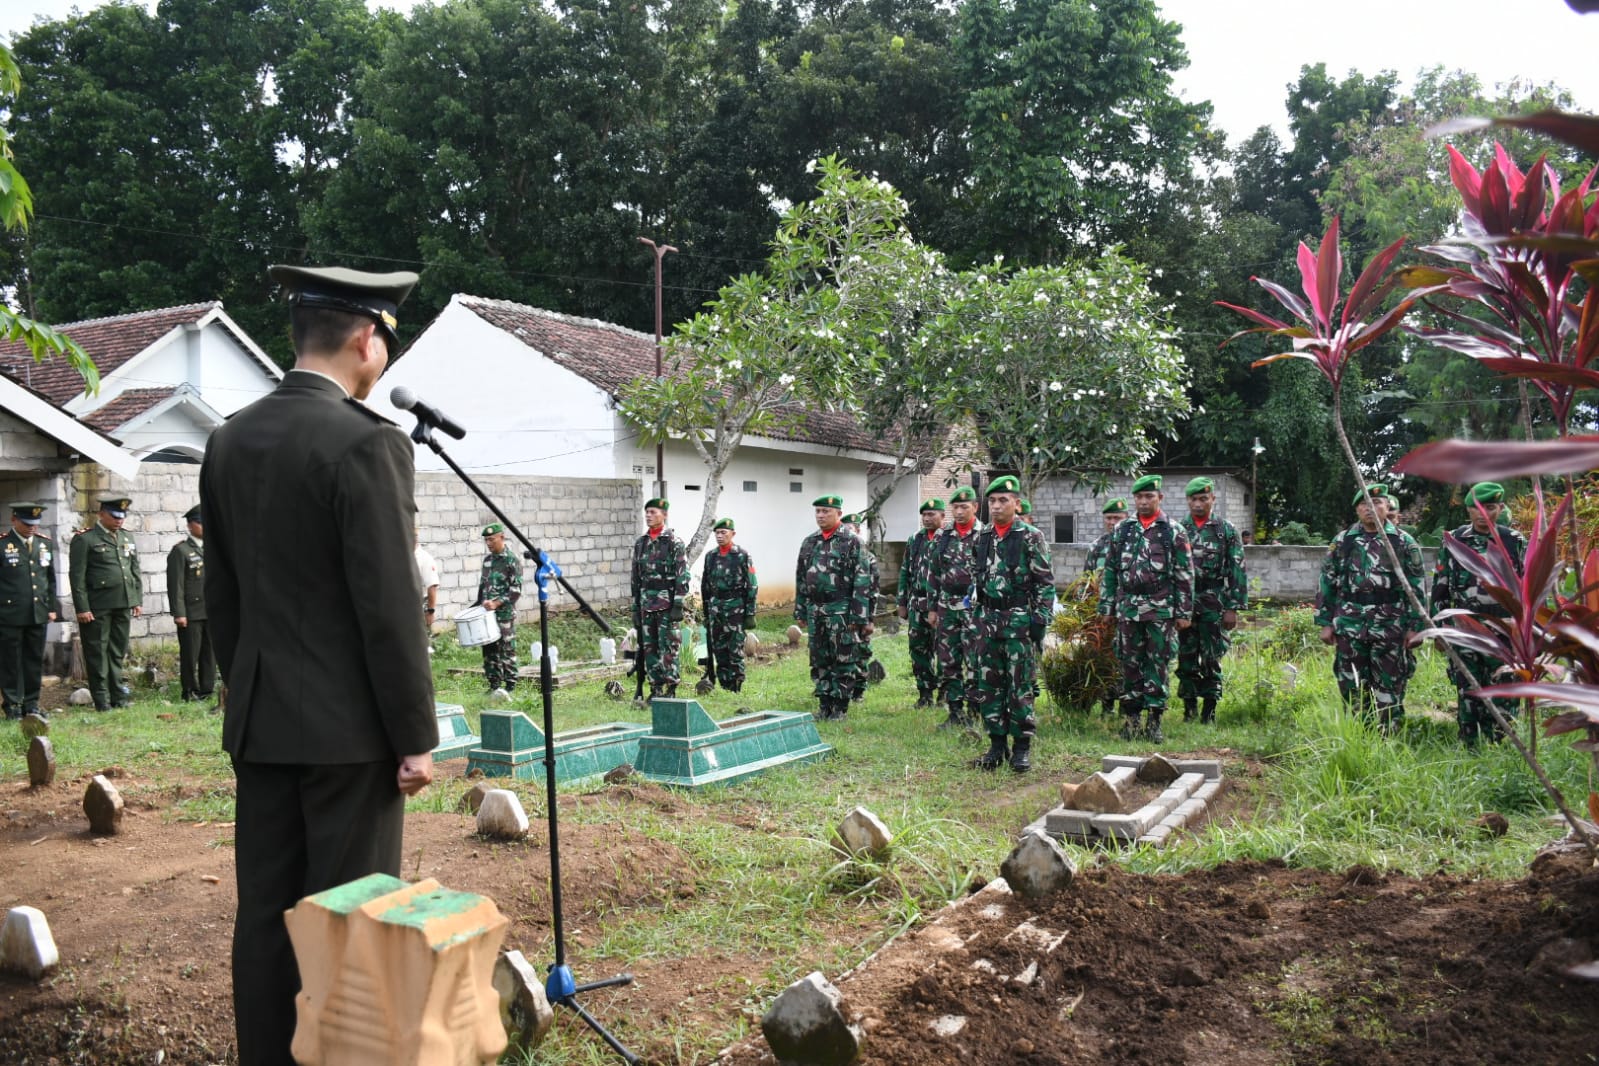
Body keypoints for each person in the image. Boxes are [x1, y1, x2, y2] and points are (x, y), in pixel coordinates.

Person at [200, 263, 437, 1066]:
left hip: (262, 723)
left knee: (265, 914)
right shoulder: (366, 443)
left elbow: (222, 599)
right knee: (349, 917)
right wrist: (414, 734)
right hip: (348, 738)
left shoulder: (228, 439)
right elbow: (390, 607)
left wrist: (252, 690)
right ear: (368, 339)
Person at [1315, 484, 1427, 732]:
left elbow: (1417, 587)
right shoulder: (1343, 541)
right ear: (1357, 509)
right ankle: (1358, 735)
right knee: (1352, 685)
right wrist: (1324, 622)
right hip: (1350, 624)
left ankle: (1389, 736)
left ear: (1387, 507)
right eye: (1365, 503)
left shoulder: (1403, 542)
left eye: (1377, 503)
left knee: (1390, 684)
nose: (1371, 508)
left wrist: (1416, 627)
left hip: (1390, 625)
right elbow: (1327, 582)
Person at [1431, 481, 1528, 746]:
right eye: (1477, 508)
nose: (1483, 513)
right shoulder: (1454, 541)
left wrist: (1527, 631)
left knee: (1505, 689)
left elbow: (1528, 588)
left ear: (1501, 508)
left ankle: (1504, 747)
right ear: (1468, 511)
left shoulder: (1514, 541)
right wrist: (1438, 630)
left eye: (1491, 507)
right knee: (1468, 689)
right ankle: (1470, 745)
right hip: (1464, 627)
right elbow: (1440, 587)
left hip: (1505, 630)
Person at [969, 477, 1055, 771]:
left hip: (1018, 622)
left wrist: (1039, 621)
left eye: (1003, 500)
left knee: (1020, 688)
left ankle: (1021, 748)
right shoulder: (982, 537)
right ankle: (996, 746)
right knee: (989, 686)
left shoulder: (1032, 536)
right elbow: (976, 581)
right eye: (992, 501)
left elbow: (1045, 584)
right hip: (987, 623)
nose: (996, 506)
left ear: (1016, 503)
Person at [1099, 475, 1192, 742]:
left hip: (1160, 608)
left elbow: (1184, 574)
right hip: (1128, 608)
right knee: (1129, 663)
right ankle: (1131, 718)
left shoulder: (1173, 531)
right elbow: (1111, 571)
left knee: (1158, 664)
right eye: (1139, 497)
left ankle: (1154, 720)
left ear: (1159, 498)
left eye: (1149, 496)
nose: (1143, 501)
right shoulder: (1122, 531)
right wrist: (1107, 607)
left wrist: (1184, 612)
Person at [794, 494, 872, 720]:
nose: (820, 515)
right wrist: (800, 609)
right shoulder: (809, 542)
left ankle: (840, 707)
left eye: (825, 511)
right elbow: (801, 578)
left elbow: (862, 580)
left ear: (838, 513)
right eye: (817, 511)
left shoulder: (852, 541)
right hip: (816, 609)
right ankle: (824, 704)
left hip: (841, 609)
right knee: (819, 658)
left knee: (843, 659)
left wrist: (860, 615)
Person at [1177, 478, 1246, 724]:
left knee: (1211, 656)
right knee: (1185, 655)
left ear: (1212, 500)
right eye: (1193, 499)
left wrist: (1233, 607)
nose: (1198, 504)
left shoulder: (1225, 530)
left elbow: (1237, 570)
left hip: (1213, 601)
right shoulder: (1179, 529)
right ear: (1187, 501)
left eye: (1203, 499)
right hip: (1185, 602)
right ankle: (1189, 707)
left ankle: (1209, 709)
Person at [69, 495, 142, 712]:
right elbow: (77, 577)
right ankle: (101, 700)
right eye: (114, 516)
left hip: (123, 602)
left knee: (117, 650)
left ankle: (118, 695)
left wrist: (136, 599)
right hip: (98, 605)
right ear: (101, 514)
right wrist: (82, 607)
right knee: (97, 652)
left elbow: (134, 570)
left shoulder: (127, 538)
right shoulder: (85, 539)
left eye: (122, 516)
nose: (119, 520)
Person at [925, 486, 985, 729]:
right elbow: (933, 574)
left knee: (975, 662)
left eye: (964, 507)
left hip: (974, 608)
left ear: (975, 507)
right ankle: (955, 712)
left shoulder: (985, 535)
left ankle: (975, 712)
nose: (959, 512)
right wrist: (932, 608)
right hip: (947, 606)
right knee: (948, 662)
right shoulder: (943, 536)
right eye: (956, 508)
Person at [0, 502, 56, 719]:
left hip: (37, 613)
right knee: (10, 661)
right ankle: (12, 704)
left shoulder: (44, 544)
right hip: (9, 615)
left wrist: (51, 607)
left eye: (35, 523)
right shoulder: (4, 545)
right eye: (26, 523)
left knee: (33, 660)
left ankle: (31, 703)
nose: (32, 527)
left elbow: (50, 579)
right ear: (14, 520)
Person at [631, 497, 689, 699]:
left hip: (667, 604)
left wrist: (678, 604)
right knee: (650, 648)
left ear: (664, 515)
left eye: (653, 512)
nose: (648, 515)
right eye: (646, 512)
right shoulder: (641, 544)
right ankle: (655, 689)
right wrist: (634, 608)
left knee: (669, 648)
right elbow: (635, 578)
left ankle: (671, 689)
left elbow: (682, 575)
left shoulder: (674, 542)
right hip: (646, 605)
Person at [897, 498, 945, 709]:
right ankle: (924, 693)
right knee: (918, 650)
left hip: (942, 606)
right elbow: (905, 571)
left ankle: (945, 694)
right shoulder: (915, 539)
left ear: (942, 516)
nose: (926, 518)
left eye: (931, 514)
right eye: (924, 515)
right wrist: (902, 601)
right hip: (918, 605)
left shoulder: (949, 539)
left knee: (944, 651)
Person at [701, 517, 758, 693]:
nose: (719, 536)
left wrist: (750, 613)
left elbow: (752, 584)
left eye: (723, 532)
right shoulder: (711, 556)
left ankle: (736, 685)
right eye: (717, 533)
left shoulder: (742, 555)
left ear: (732, 534)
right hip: (716, 608)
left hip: (735, 608)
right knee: (719, 648)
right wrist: (706, 611)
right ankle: (725, 684)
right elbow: (705, 585)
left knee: (735, 648)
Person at [166, 505, 215, 702]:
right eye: (200, 523)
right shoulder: (181, 551)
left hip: (211, 610)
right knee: (190, 654)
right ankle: (190, 691)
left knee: (210, 653)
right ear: (190, 525)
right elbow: (175, 585)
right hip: (191, 612)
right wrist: (179, 613)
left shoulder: (213, 548)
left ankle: (207, 689)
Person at [476, 522, 522, 694]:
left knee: (506, 648)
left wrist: (496, 603)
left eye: (492, 539)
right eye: (486, 540)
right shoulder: (487, 561)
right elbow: (483, 586)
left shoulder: (512, 560)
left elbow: (516, 590)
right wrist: (478, 605)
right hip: (487, 614)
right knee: (489, 649)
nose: (489, 543)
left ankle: (510, 685)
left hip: (504, 613)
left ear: (502, 537)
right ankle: (494, 684)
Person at [840, 513, 881, 701]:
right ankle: (842, 688)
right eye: (845, 527)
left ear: (857, 530)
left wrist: (869, 618)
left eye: (852, 528)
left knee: (861, 651)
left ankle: (859, 689)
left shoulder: (868, 557)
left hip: (862, 613)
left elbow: (872, 591)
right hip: (842, 613)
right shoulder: (839, 554)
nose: (848, 531)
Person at [1083, 498, 1128, 579]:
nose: (1112, 522)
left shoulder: (1136, 543)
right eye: (1108, 518)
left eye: (1117, 518)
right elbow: (1086, 580)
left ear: (1127, 519)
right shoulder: (1096, 546)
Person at [415, 526, 439, 626]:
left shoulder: (424, 558)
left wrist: (430, 611)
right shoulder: (402, 556)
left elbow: (432, 586)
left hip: (420, 608)